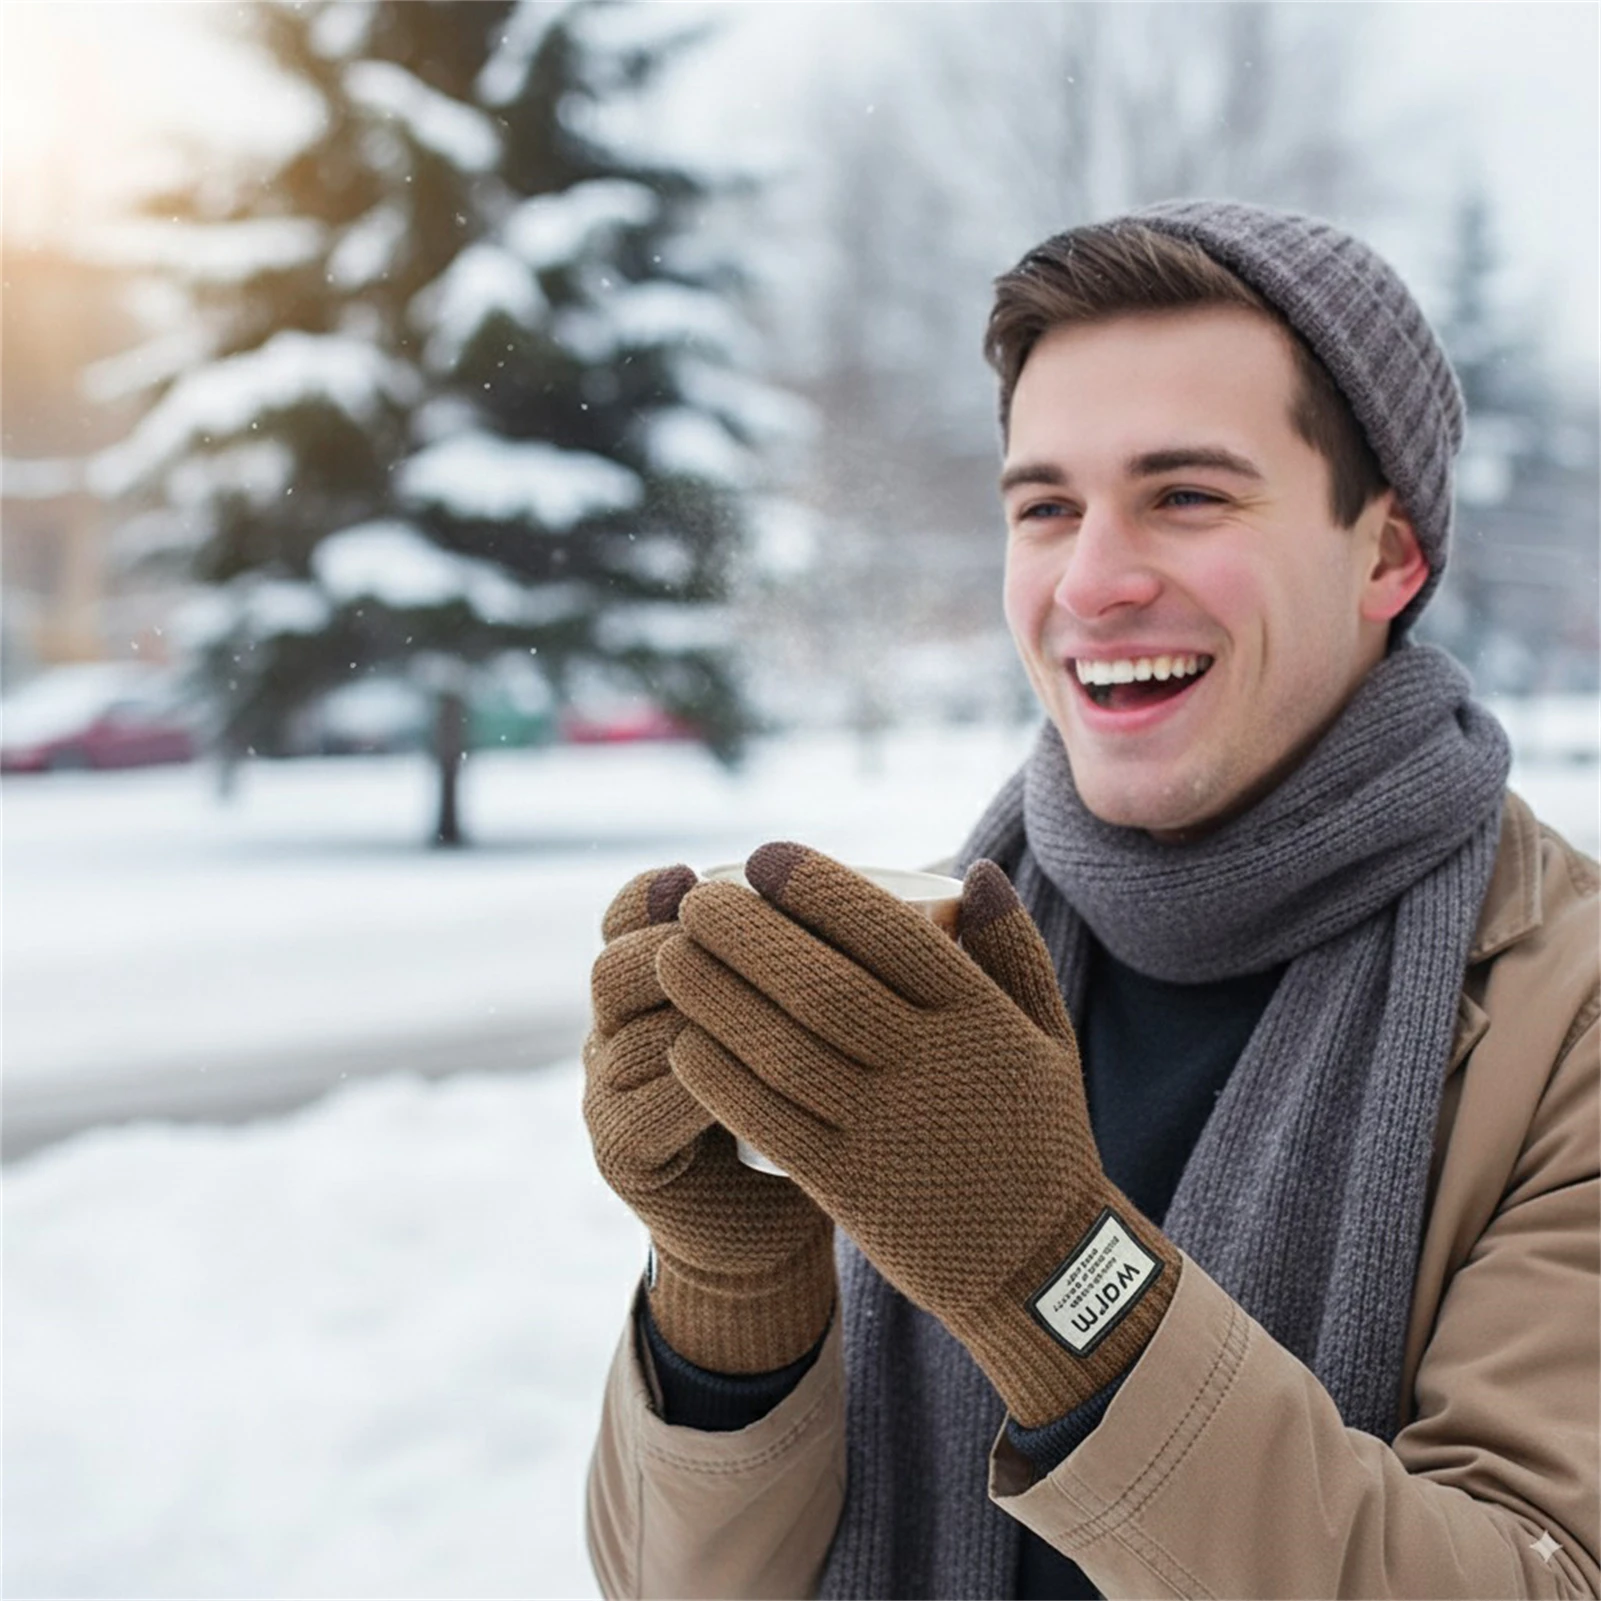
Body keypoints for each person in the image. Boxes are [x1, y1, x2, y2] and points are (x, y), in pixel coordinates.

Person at [579, 200, 1600, 1599]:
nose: (1094, 581)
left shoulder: (1572, 1015)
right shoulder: (935, 959)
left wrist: (1055, 1275)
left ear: (1390, 556)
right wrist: (728, 1299)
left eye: (1187, 495)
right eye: (1045, 508)